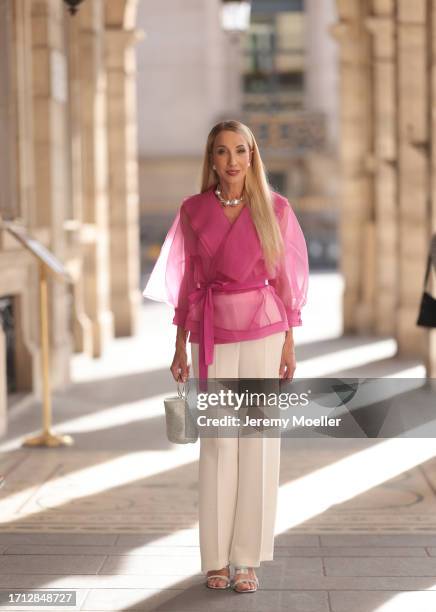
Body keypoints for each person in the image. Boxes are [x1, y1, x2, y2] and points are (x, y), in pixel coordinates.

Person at [143, 120, 309, 593]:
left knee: (256, 442)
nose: (232, 161)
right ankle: (216, 558)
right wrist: (178, 345)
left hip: (263, 331)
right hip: (210, 329)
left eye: (240, 151)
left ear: (253, 156)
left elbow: (286, 283)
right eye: (222, 152)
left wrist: (289, 344)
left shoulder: (275, 209)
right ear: (211, 159)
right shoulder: (192, 210)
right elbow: (186, 282)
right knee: (218, 444)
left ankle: (247, 559)